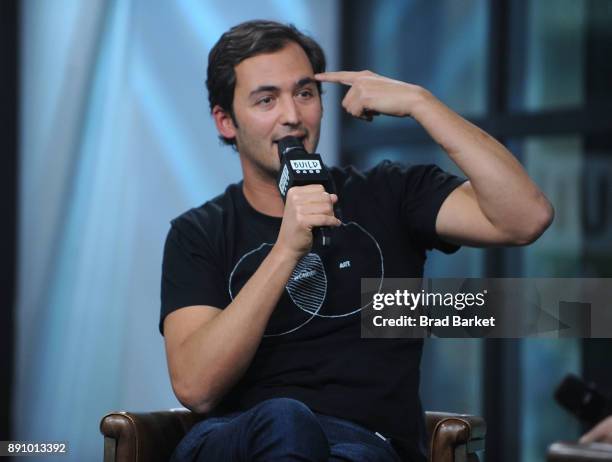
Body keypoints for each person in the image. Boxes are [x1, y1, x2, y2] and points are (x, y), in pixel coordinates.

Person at [159, 20, 553, 462]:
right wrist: (286, 249)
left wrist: (422, 103)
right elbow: (198, 388)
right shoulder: (199, 232)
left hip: (363, 446)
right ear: (226, 121)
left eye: (305, 93)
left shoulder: (389, 195)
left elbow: (527, 217)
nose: (292, 115)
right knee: (286, 420)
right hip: (240, 439)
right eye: (266, 99)